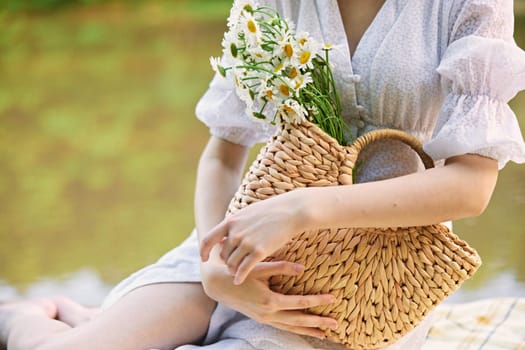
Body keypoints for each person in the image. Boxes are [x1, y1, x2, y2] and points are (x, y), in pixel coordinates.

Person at [1, 0, 525, 349]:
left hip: (367, 278)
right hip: (248, 242)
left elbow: (472, 185)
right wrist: (217, 266)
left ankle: (88, 314)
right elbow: (222, 156)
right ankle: (25, 318)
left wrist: (301, 209)